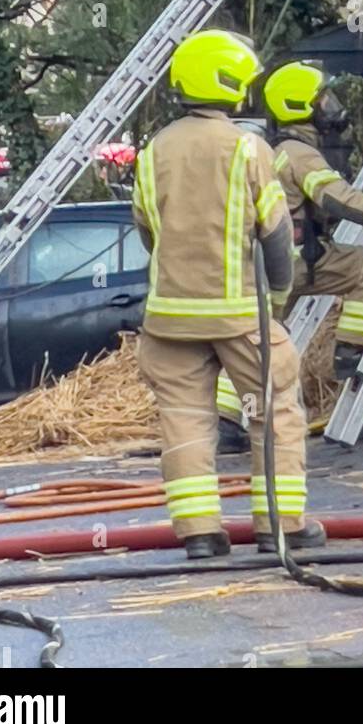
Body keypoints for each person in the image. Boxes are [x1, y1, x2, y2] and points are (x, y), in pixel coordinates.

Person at [132, 29, 325, 558]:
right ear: (232, 84)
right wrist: (279, 302)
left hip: (168, 319)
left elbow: (150, 233)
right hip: (241, 315)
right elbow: (278, 237)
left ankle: (199, 535)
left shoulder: (153, 152)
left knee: (185, 418)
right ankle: (281, 527)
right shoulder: (248, 148)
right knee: (274, 410)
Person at [218, 61, 363, 394]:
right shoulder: (299, 153)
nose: (333, 107)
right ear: (300, 105)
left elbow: (314, 205)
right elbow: (337, 200)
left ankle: (226, 420)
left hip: (263, 262)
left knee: (261, 337)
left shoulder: (278, 150)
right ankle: (350, 352)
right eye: (323, 100)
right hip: (295, 260)